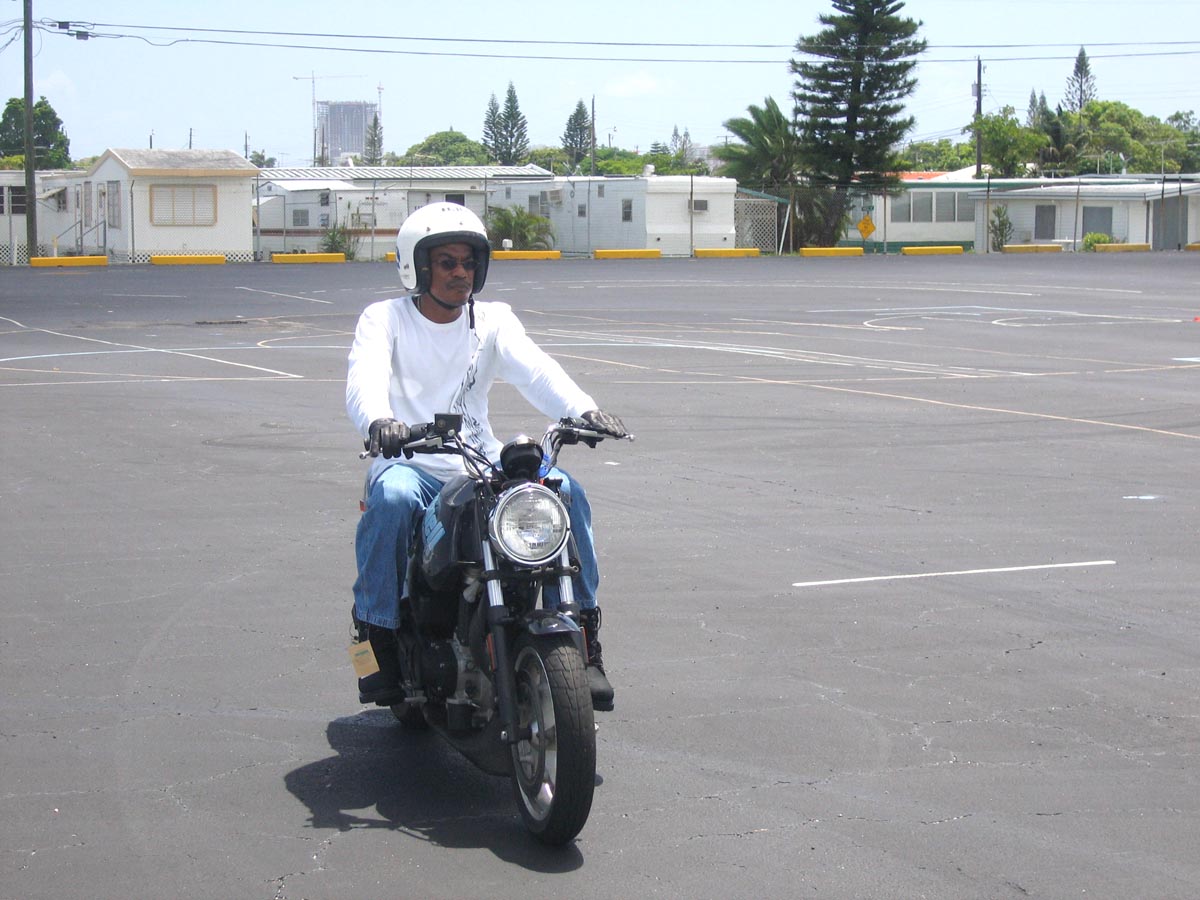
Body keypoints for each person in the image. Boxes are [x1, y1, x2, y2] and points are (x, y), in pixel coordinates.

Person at [346, 202, 628, 712]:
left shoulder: (493, 319)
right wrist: (379, 422)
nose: (461, 273)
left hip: (479, 459)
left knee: (567, 491)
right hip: (411, 462)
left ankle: (583, 634)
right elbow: (364, 379)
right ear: (417, 266)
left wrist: (583, 410)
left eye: (469, 262)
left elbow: (536, 370)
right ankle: (376, 633)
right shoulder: (384, 319)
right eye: (447, 262)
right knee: (391, 498)